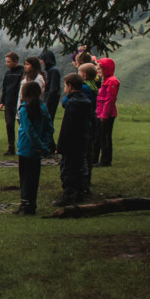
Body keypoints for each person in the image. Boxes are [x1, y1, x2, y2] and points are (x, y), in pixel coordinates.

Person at [54, 74, 93, 206]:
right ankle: (80, 192)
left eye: (65, 85)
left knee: (67, 168)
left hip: (70, 142)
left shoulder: (72, 103)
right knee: (80, 166)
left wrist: (60, 146)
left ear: (70, 86)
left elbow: (67, 126)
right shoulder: (86, 101)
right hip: (82, 139)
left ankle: (68, 194)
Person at [15, 82, 53, 216]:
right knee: (34, 178)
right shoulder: (43, 107)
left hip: (26, 147)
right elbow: (50, 127)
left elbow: (28, 130)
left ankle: (25, 205)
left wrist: (38, 145)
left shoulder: (24, 109)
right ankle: (32, 205)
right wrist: (44, 145)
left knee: (25, 177)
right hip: (37, 150)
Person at [94, 58, 120, 167]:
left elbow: (110, 100)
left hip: (106, 114)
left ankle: (106, 160)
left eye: (100, 68)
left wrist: (104, 115)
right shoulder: (105, 80)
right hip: (101, 112)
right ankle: (100, 158)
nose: (98, 70)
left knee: (105, 137)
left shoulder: (112, 81)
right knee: (101, 136)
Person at [0, 52, 24, 156]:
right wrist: (2, 101)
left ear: (15, 61)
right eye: (6, 61)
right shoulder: (7, 73)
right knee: (9, 124)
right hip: (8, 102)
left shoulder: (22, 72)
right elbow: (4, 88)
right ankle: (11, 147)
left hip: (18, 102)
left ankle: (22, 146)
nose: (7, 64)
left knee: (21, 124)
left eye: (9, 61)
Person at [40, 50, 62, 150]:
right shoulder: (50, 70)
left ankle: (50, 145)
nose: (41, 62)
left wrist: (47, 101)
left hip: (51, 100)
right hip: (49, 99)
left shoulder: (53, 71)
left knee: (47, 122)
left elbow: (53, 88)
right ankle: (50, 144)